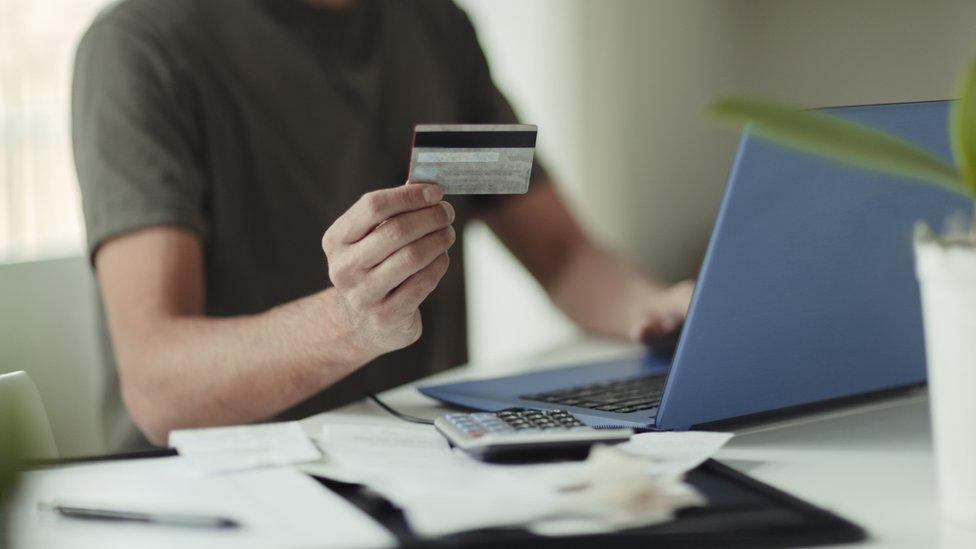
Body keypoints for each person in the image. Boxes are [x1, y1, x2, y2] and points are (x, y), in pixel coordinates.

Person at [72, 0, 694, 451]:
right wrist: (350, 323)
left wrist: (660, 307)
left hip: (418, 457)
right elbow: (158, 387)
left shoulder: (436, 26)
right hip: (219, 487)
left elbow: (560, 254)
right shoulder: (140, 48)